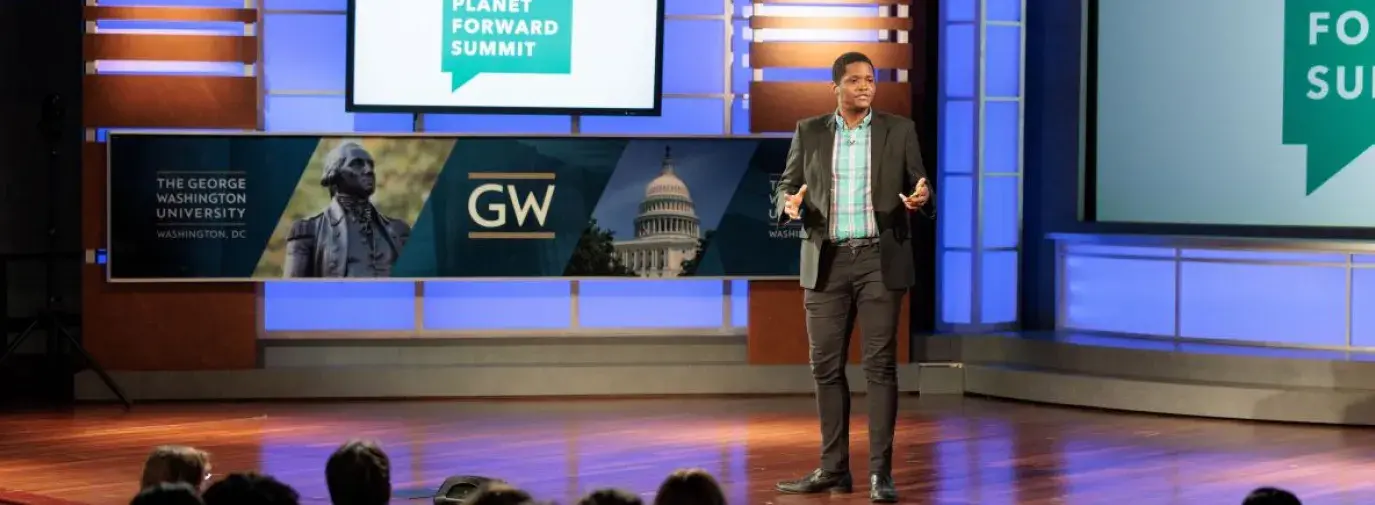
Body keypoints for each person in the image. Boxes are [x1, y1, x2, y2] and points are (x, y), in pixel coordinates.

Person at [771, 51, 933, 503]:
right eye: (855, 80)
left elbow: (921, 185)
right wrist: (789, 203)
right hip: (827, 260)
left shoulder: (899, 130)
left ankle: (881, 473)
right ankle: (833, 468)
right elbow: (788, 185)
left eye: (871, 80)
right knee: (825, 367)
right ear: (836, 87)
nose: (865, 87)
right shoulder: (809, 131)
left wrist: (922, 196)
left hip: (880, 260)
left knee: (880, 367)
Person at [284, 141, 411, 278]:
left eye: (371, 165)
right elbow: (291, 292)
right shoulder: (309, 231)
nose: (369, 170)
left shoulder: (399, 231)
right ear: (334, 174)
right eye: (356, 164)